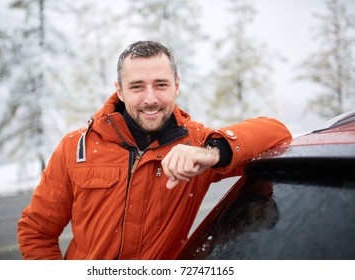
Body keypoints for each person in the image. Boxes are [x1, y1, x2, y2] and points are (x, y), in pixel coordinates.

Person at [17, 40, 292, 260]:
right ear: (120, 91)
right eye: (137, 87)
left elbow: (275, 132)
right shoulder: (76, 147)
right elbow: (37, 231)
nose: (150, 99)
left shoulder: (197, 144)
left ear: (176, 86)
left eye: (161, 85)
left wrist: (214, 152)